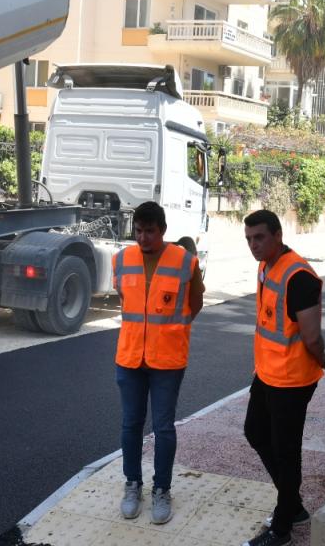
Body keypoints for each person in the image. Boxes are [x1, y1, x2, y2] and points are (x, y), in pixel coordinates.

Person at [241, 209, 325, 546]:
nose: (254, 245)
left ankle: (282, 529)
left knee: (286, 451)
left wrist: (322, 355)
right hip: (268, 373)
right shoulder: (267, 266)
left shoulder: (300, 278)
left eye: (260, 237)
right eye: (249, 239)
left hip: (292, 381)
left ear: (278, 235)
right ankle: (292, 505)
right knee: (254, 431)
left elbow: (311, 336)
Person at [112, 201, 204, 525]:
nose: (143, 237)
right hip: (130, 357)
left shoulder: (185, 262)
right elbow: (127, 302)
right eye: (138, 230)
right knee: (130, 424)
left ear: (162, 230)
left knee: (163, 428)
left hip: (168, 360)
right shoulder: (121, 260)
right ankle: (132, 485)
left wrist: (169, 332)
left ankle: (162, 489)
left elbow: (195, 303)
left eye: (149, 231)